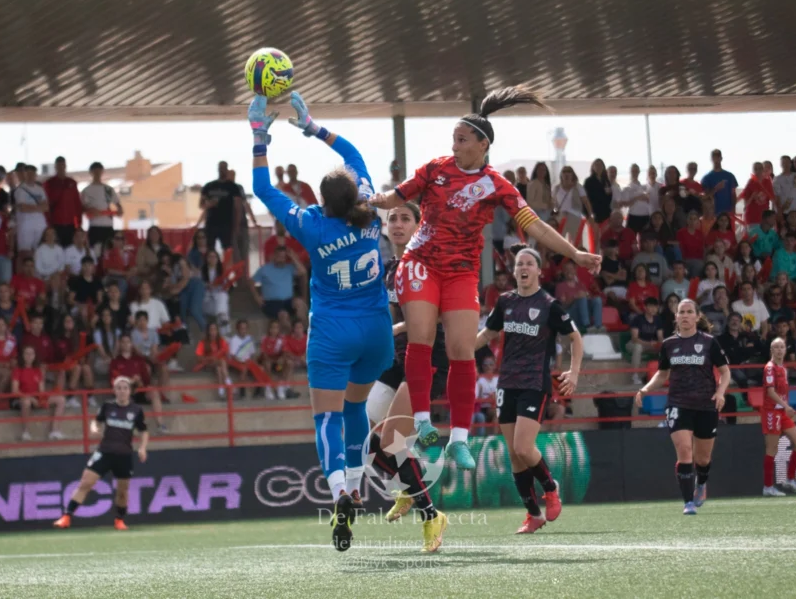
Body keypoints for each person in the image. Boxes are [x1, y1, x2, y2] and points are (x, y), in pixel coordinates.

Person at [370, 86, 601, 470]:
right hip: (422, 263)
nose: (455, 146)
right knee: (422, 338)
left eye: (462, 140)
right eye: (454, 139)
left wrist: (574, 253)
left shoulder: (497, 185)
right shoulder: (435, 169)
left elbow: (536, 226)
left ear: (482, 145)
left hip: (461, 272)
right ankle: (425, 423)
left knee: (462, 350)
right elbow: (398, 195)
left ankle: (459, 439)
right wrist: (374, 201)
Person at [249, 91, 401, 553]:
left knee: (325, 417)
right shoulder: (372, 209)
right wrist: (311, 125)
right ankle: (356, 484)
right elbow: (352, 154)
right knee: (355, 409)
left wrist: (260, 137)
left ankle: (340, 493)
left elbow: (262, 190)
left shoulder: (313, 225)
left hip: (332, 333)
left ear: (322, 201)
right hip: (375, 332)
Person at [475, 246, 583, 533]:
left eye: (528, 264)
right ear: (514, 272)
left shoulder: (549, 304)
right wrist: (460, 351)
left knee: (524, 447)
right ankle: (533, 515)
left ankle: (550, 487)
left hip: (535, 382)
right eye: (519, 264)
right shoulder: (505, 301)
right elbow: (488, 333)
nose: (523, 268)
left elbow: (575, 337)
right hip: (506, 382)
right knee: (513, 453)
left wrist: (573, 371)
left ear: (538, 270)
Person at [364, 203, 451, 549]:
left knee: (390, 440)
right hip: (394, 358)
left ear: (418, 225)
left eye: (405, 218)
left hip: (425, 356)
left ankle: (432, 515)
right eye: (392, 219)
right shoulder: (389, 269)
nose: (397, 224)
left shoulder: (428, 265)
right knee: (361, 435)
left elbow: (439, 314)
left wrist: (394, 328)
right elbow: (386, 318)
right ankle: (408, 487)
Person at [635, 299, 731, 515]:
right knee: (685, 450)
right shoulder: (669, 344)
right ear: (676, 317)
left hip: (706, 404)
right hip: (678, 404)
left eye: (689, 312)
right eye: (681, 312)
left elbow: (725, 372)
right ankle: (688, 502)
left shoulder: (709, 342)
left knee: (703, 459)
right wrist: (645, 390)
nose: (685, 315)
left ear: (697, 316)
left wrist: (720, 392)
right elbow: (662, 374)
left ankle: (701, 483)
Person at [54, 376, 149, 531]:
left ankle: (119, 520)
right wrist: (94, 427)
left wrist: (143, 448)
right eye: (119, 388)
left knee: (122, 491)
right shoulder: (107, 406)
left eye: (125, 388)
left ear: (130, 391)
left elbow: (144, 431)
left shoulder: (136, 410)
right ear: (114, 391)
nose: (122, 391)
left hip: (124, 455)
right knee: (85, 483)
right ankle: (66, 517)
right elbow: (96, 420)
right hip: (104, 452)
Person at [761, 338, 796, 497]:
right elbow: (770, 392)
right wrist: (786, 406)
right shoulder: (769, 368)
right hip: (771, 412)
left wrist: (785, 406)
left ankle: (790, 479)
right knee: (771, 449)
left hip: (782, 411)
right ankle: (767, 487)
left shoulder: (783, 368)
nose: (779, 350)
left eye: (782, 347)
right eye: (776, 347)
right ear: (771, 350)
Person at [11, 344, 66, 441]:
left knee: (61, 399)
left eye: (31, 354)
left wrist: (42, 399)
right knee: (26, 401)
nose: (29, 356)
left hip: (36, 397)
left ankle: (54, 431)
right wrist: (31, 398)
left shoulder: (38, 370)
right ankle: (25, 432)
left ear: (35, 356)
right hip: (21, 398)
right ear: (22, 356)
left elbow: (41, 390)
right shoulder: (17, 370)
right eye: (26, 354)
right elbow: (15, 390)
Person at [200, 161, 243, 253]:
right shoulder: (209, 186)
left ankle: (227, 267)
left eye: (224, 168)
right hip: (211, 223)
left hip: (226, 224)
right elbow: (201, 204)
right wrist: (209, 204)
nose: (222, 170)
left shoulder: (233, 187)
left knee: (228, 250)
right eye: (220, 168)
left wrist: (237, 226)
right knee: (209, 249)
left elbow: (238, 208)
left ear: (227, 169)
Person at [81, 162, 123, 252]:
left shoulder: (108, 189)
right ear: (91, 172)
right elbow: (82, 208)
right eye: (95, 172)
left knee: (109, 252)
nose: (97, 174)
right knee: (95, 252)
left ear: (102, 172)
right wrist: (90, 210)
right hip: (94, 226)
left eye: (99, 171)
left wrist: (119, 210)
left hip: (108, 225)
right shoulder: (87, 190)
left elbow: (118, 205)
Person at [44, 156, 83, 247]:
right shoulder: (50, 183)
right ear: (55, 167)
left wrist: (79, 224)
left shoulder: (72, 183)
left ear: (65, 166)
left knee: (70, 247)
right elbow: (46, 204)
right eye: (59, 166)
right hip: (55, 223)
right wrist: (48, 224)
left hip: (70, 224)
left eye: (63, 165)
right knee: (56, 247)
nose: (61, 168)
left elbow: (77, 204)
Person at [195, 322, 232, 399]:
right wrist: (209, 358)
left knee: (219, 368)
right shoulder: (203, 342)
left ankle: (221, 392)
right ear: (208, 331)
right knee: (221, 362)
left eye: (215, 329)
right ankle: (229, 384)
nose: (213, 332)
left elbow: (227, 353)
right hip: (208, 364)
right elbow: (199, 358)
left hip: (221, 365)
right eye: (211, 330)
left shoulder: (221, 340)